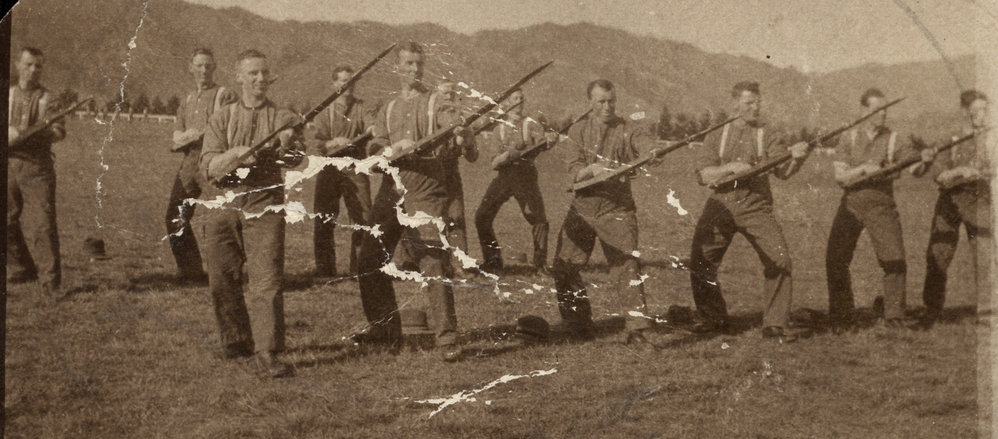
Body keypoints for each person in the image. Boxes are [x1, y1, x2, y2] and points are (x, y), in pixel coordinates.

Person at [354, 41, 475, 361]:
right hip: (392, 188)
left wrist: (461, 133)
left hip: (426, 187)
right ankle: (384, 331)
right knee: (369, 259)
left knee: (432, 260)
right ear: (397, 67)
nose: (415, 69)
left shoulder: (436, 101)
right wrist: (389, 150)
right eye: (408, 64)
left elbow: (453, 125)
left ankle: (448, 339)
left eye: (419, 64)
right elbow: (376, 146)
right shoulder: (389, 107)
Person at [199, 49, 302, 378]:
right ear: (239, 77)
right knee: (222, 276)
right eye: (253, 73)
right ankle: (234, 339)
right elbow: (208, 166)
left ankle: (266, 351)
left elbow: (296, 160)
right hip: (223, 202)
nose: (260, 79)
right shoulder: (222, 117)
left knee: (266, 279)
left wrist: (288, 145)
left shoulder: (283, 118)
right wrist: (236, 155)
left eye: (264, 73)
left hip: (265, 202)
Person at [689, 81, 811, 340]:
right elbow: (703, 174)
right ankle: (713, 318)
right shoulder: (717, 134)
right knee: (700, 260)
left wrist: (798, 158)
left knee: (780, 259)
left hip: (755, 205)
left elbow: (783, 172)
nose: (755, 107)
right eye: (749, 103)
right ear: (735, 104)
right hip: (721, 204)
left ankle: (775, 323)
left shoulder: (768, 133)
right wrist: (731, 167)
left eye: (758, 102)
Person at [549, 79, 657, 346]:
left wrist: (652, 151)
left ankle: (637, 329)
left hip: (616, 208)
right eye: (601, 102)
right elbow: (574, 171)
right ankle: (578, 324)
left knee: (626, 267)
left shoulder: (627, 128)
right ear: (590, 103)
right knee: (564, 267)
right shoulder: (578, 130)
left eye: (611, 101)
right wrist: (592, 170)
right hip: (583, 207)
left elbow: (644, 141)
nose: (608, 106)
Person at [825, 88, 935, 330]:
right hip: (851, 203)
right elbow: (840, 177)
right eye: (877, 109)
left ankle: (894, 315)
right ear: (864, 111)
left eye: (886, 109)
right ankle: (842, 314)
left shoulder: (895, 139)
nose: (883, 114)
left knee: (894, 260)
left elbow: (914, 169)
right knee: (835, 259)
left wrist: (925, 161)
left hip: (881, 204)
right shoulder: (849, 138)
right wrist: (865, 169)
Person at [920, 90, 992, 325]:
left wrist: (982, 172)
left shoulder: (990, 137)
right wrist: (960, 172)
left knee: (985, 255)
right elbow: (939, 174)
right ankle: (932, 309)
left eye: (985, 110)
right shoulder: (950, 138)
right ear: (964, 112)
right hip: (949, 201)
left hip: (979, 200)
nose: (982, 115)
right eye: (977, 110)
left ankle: (989, 311)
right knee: (938, 253)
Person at [167, 48, 237, 283]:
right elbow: (177, 133)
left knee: (223, 218)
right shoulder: (187, 99)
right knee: (175, 216)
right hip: (189, 165)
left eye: (208, 65)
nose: (204, 70)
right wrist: (184, 137)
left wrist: (199, 134)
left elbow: (227, 127)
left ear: (214, 67)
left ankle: (230, 271)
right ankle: (191, 272)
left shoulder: (224, 95)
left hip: (215, 163)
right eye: (199, 65)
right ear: (191, 68)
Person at [306, 65, 375, 278]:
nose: (347, 86)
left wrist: (372, 129)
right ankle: (325, 270)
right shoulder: (324, 110)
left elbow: (371, 125)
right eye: (343, 81)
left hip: (355, 166)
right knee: (324, 217)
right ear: (334, 83)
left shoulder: (361, 107)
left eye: (351, 81)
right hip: (329, 167)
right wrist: (333, 142)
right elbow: (316, 142)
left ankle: (360, 268)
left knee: (363, 216)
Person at [7, 47, 66, 295]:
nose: (33, 70)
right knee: (6, 220)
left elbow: (59, 132)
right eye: (28, 64)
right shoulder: (8, 94)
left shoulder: (49, 99)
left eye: (38, 66)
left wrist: (32, 135)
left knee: (43, 224)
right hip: (9, 163)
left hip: (37, 167)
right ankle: (20, 268)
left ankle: (50, 283)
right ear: (18, 65)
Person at [474, 89, 552, 274]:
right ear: (507, 103)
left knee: (538, 218)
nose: (519, 102)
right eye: (515, 99)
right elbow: (494, 163)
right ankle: (493, 261)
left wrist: (551, 140)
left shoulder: (531, 124)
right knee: (482, 216)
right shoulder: (499, 129)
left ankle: (540, 265)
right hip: (505, 176)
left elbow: (544, 144)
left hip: (526, 175)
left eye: (521, 98)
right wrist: (508, 155)